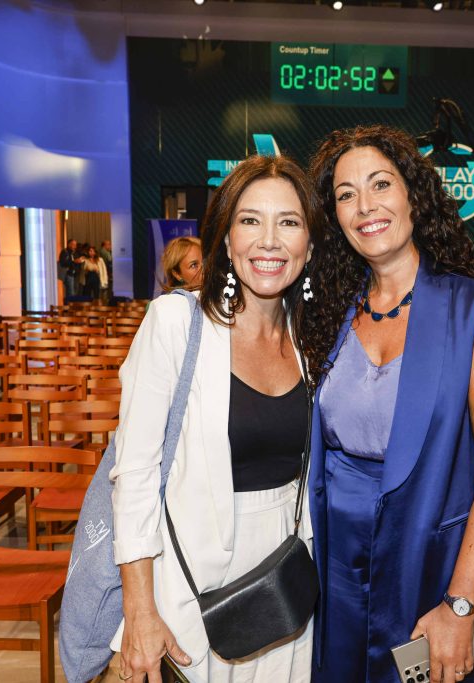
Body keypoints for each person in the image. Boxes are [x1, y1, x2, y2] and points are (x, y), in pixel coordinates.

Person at [304, 125, 474, 683]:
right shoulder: (327, 311)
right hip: (333, 566)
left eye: (381, 184)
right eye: (346, 194)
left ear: (414, 195)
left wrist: (461, 602)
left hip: (433, 560)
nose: (365, 205)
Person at [109, 155, 321, 683]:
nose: (268, 241)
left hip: (284, 583)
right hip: (190, 586)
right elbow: (134, 472)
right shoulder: (176, 323)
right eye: (250, 220)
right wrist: (139, 610)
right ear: (225, 240)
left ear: (310, 244)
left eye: (288, 222)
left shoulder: (312, 339)